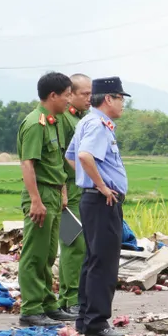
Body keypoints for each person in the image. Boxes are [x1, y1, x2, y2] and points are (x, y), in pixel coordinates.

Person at [65, 77, 130, 336]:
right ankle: (97, 321)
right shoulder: (98, 125)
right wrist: (101, 185)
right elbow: (82, 156)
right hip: (102, 200)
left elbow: (71, 156)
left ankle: (85, 318)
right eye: (121, 99)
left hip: (92, 199)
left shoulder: (86, 121)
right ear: (108, 99)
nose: (123, 104)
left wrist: (89, 179)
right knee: (104, 263)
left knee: (93, 260)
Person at [16, 72, 76, 326]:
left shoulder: (56, 122)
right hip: (39, 194)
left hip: (53, 193)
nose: (69, 100)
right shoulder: (35, 124)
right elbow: (28, 165)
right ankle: (31, 309)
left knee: (49, 253)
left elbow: (57, 160)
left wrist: (62, 190)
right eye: (67, 95)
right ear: (53, 95)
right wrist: (35, 201)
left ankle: (48, 304)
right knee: (34, 254)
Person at [57, 73, 92, 315]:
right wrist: (62, 190)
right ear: (70, 95)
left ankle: (77, 294)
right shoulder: (63, 121)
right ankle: (69, 299)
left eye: (91, 94)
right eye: (85, 94)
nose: (90, 98)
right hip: (67, 191)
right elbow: (58, 158)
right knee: (72, 244)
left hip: (79, 189)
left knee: (83, 245)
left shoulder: (80, 119)